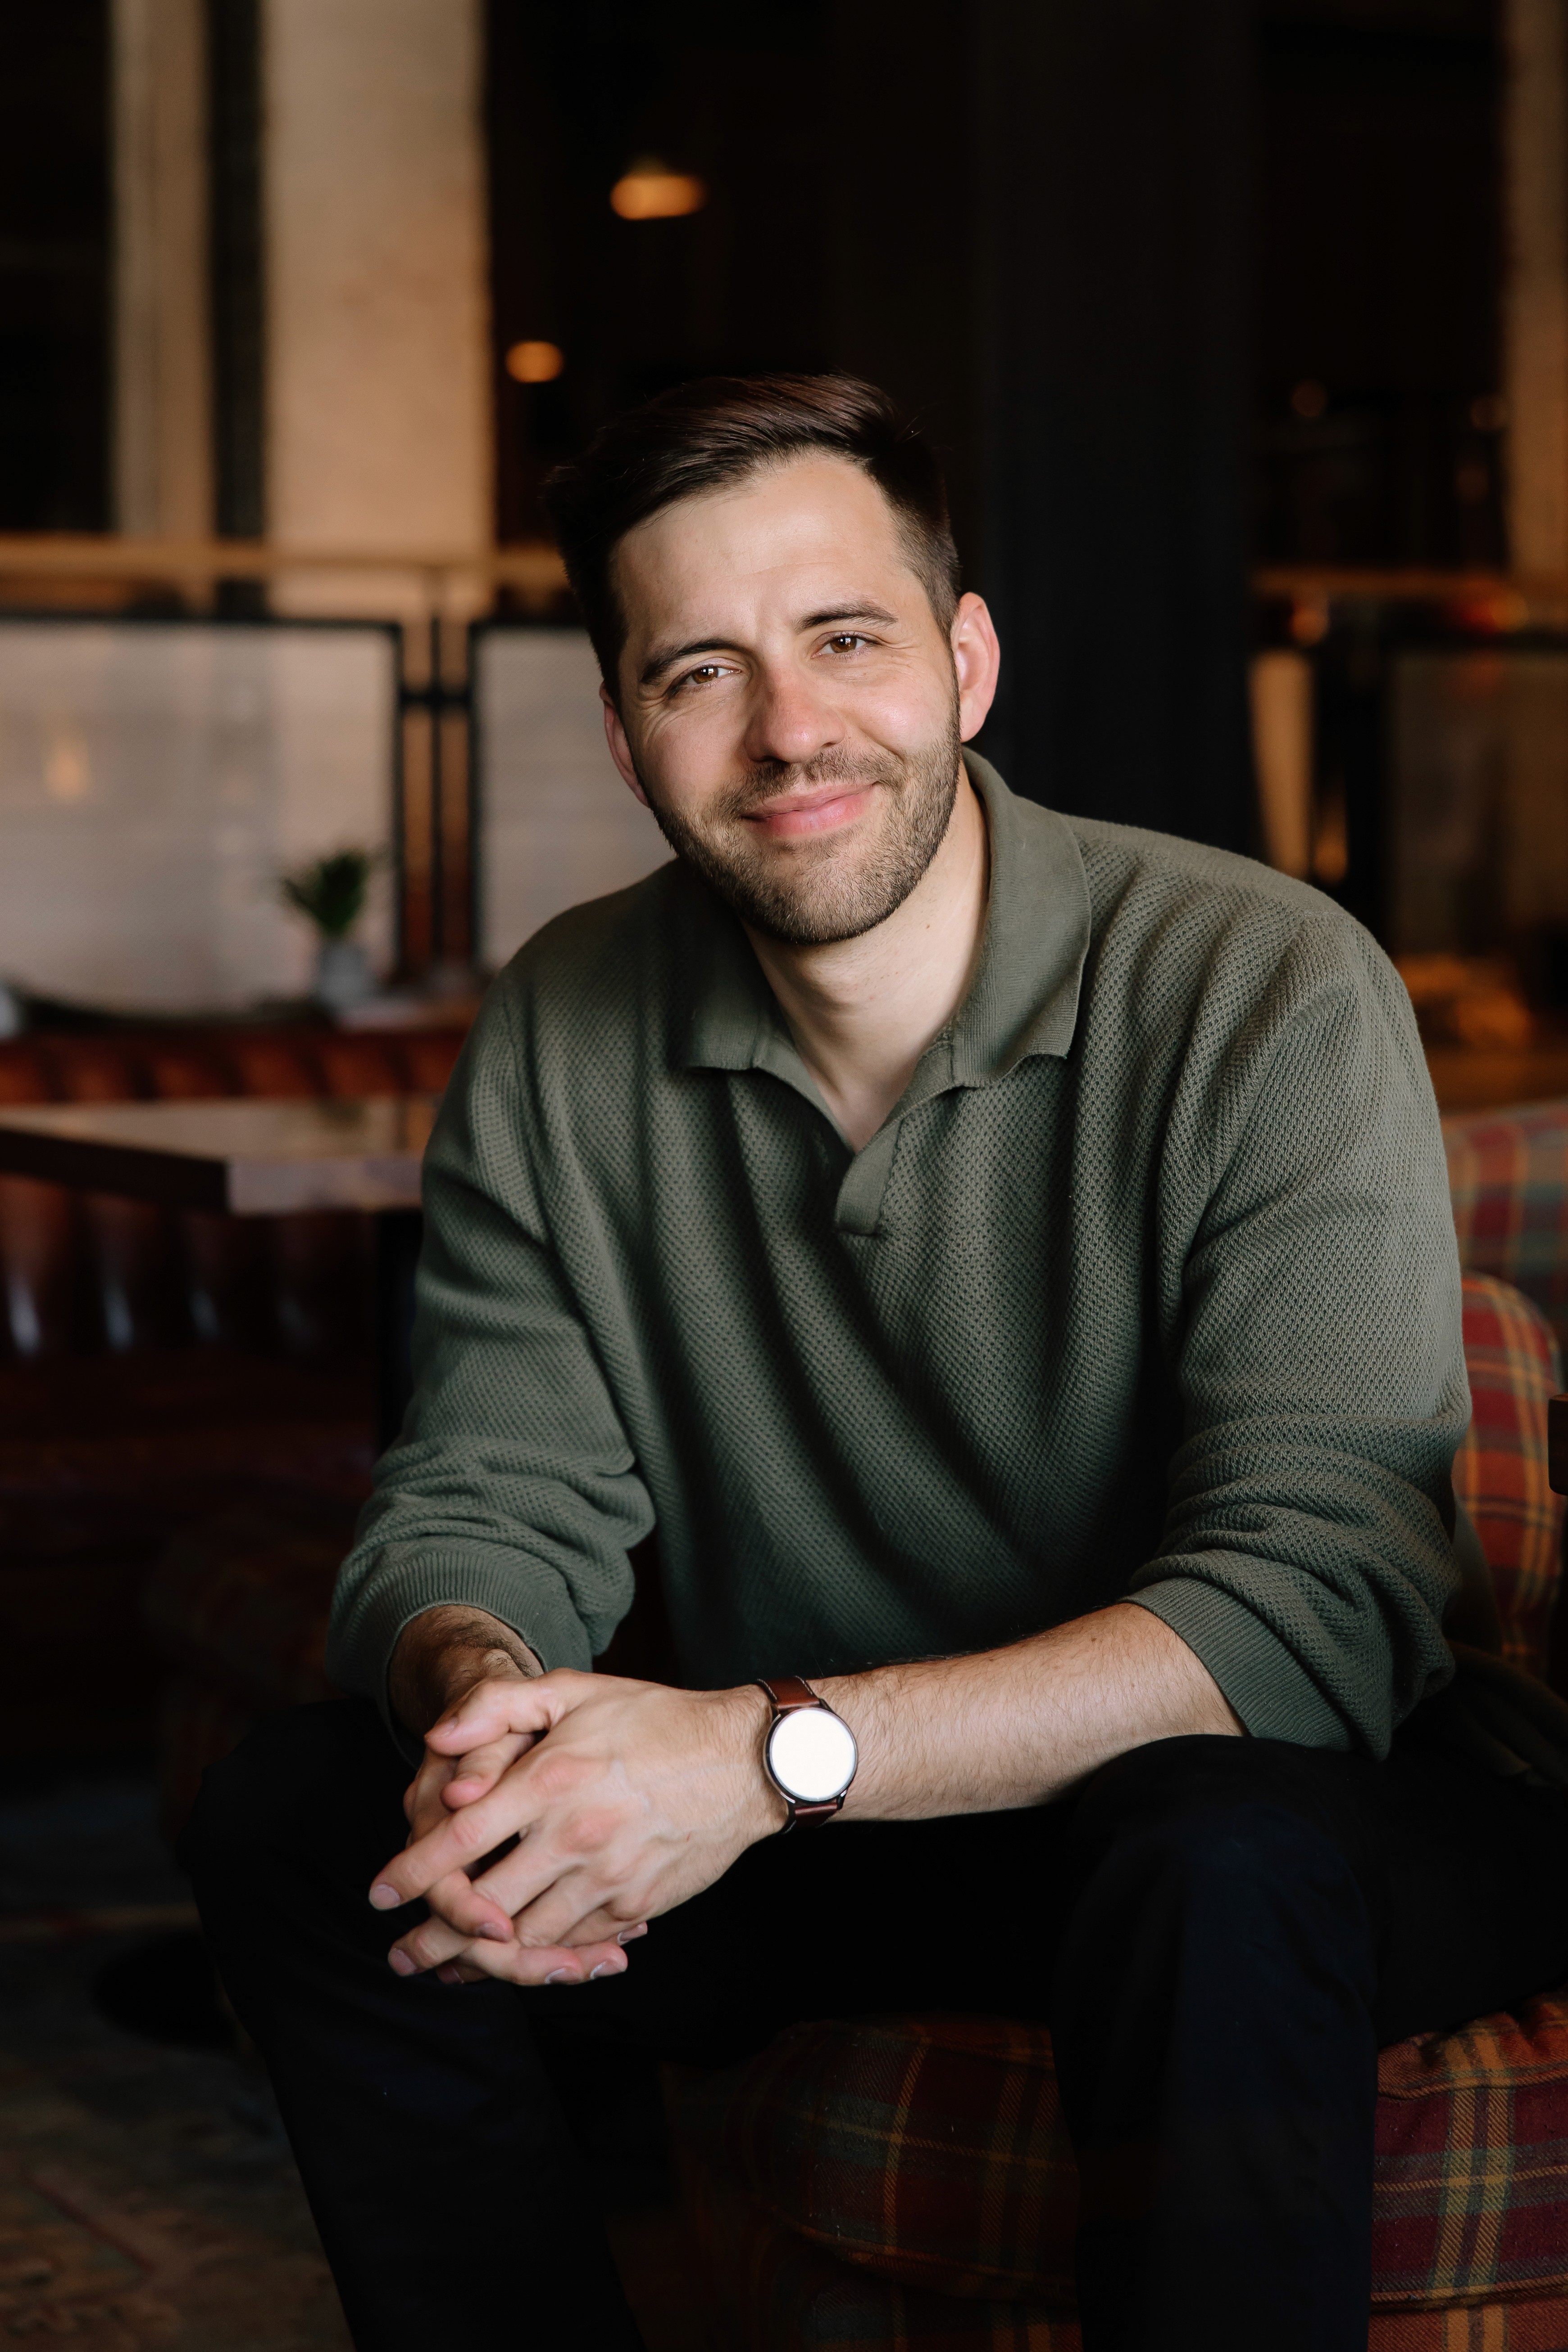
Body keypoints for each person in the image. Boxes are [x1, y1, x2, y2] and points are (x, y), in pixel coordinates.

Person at [186, 375, 1568, 2352]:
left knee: (1209, 1845)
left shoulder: (1261, 981)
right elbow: (487, 1488)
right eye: (698, 670)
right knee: (312, 1813)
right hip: (843, 1835)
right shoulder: (567, 1021)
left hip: (1270, 1807)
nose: (789, 731)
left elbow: (1311, 1611)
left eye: (844, 639)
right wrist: (490, 1707)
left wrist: (759, 1755)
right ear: (622, 734)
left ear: (966, 658)